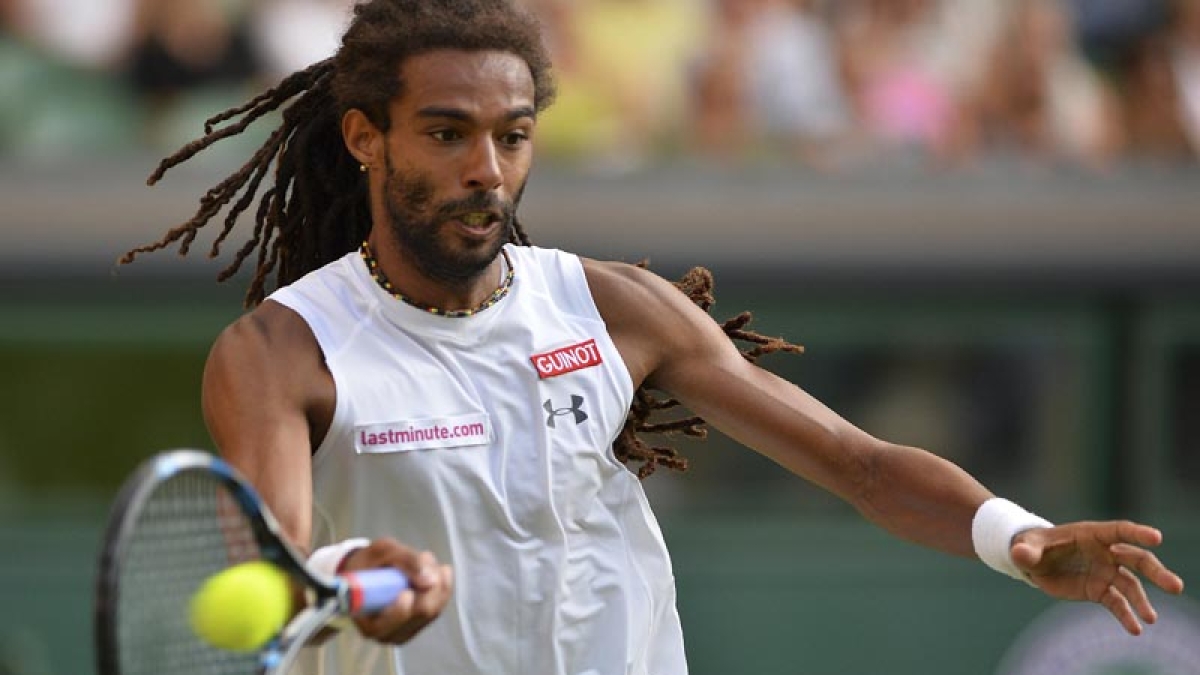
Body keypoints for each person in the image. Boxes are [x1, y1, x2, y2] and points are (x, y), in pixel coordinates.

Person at [119, 1, 1185, 673]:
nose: (486, 168)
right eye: (446, 134)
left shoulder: (611, 307)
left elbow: (860, 465)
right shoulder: (281, 352)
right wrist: (360, 573)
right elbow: (280, 566)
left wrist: (1019, 537)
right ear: (366, 137)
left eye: (512, 134)